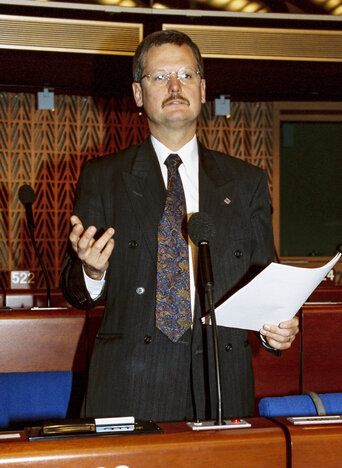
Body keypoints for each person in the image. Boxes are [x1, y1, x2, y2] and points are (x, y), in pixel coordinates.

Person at [60, 30, 299, 422]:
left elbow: (267, 284)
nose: (175, 87)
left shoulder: (245, 182)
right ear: (138, 94)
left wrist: (278, 330)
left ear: (203, 89)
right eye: (159, 77)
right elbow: (73, 289)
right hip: (129, 384)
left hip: (221, 385)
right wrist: (91, 269)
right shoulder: (103, 177)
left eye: (186, 76)